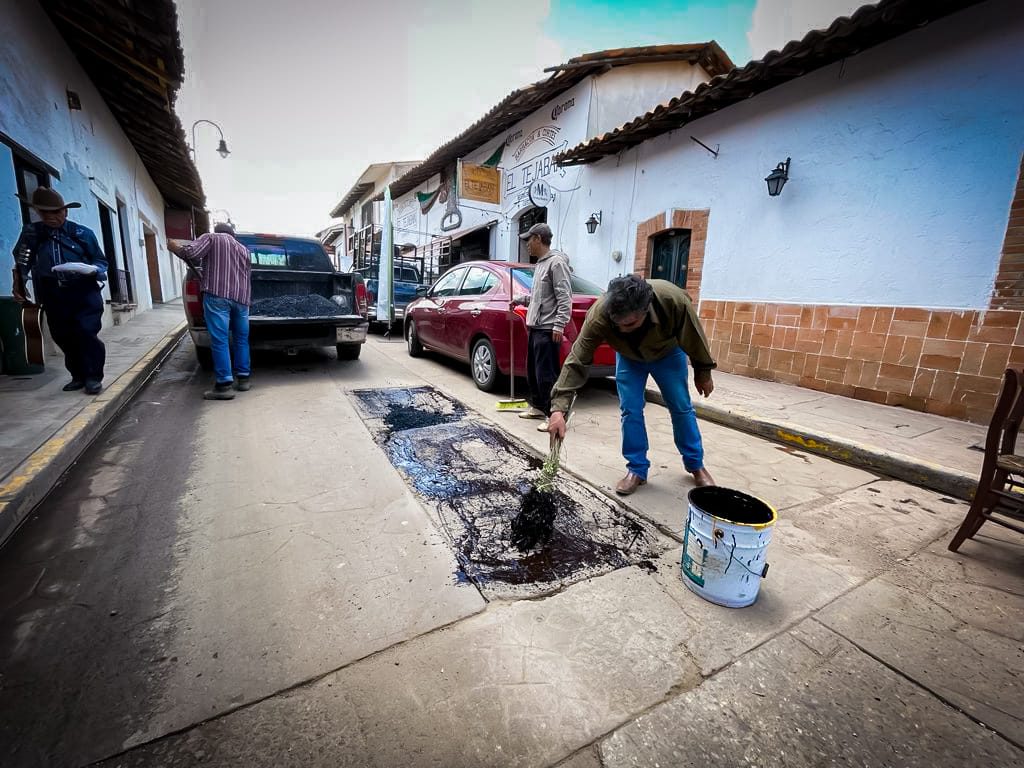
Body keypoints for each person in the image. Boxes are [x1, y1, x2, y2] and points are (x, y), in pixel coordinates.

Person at [547, 274, 716, 494]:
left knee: (681, 407)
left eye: (630, 323)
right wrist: (559, 408)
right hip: (628, 358)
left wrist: (703, 371)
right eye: (617, 325)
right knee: (630, 409)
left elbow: (694, 336)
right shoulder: (600, 314)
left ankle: (695, 465)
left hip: (667, 354)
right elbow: (577, 359)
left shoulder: (672, 301)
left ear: (646, 310)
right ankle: (637, 469)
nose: (623, 329)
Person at [11, 187, 108, 394]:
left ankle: (93, 377)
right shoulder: (32, 233)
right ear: (38, 213)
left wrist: (92, 270)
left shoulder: (82, 234)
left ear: (65, 211)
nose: (52, 217)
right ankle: (78, 376)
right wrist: (19, 283)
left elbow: (100, 261)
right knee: (63, 335)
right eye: (45, 213)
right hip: (53, 292)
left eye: (56, 212)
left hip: (83, 290)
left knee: (86, 332)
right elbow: (22, 260)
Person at [168, 223, 251, 400]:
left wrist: (175, 247)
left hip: (218, 296)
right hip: (242, 300)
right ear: (233, 234)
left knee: (220, 340)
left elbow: (191, 253)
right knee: (241, 339)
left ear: (218, 231)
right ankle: (243, 379)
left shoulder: (211, 238)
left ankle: (223, 386)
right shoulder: (244, 249)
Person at [513, 223, 572, 433]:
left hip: (548, 329)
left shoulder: (556, 263)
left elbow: (565, 297)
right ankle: (538, 406)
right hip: (536, 327)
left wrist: (559, 324)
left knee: (547, 375)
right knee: (533, 372)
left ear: (538, 238)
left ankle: (553, 414)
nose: (527, 244)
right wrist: (520, 300)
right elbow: (539, 297)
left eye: (529, 240)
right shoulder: (540, 264)